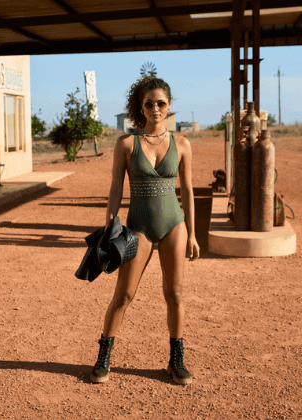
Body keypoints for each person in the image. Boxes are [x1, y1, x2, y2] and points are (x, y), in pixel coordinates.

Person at [91, 75, 199, 385]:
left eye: (161, 103)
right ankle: (103, 356)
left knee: (175, 294)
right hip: (138, 227)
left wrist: (192, 233)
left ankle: (176, 360)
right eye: (149, 103)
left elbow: (188, 191)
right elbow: (115, 188)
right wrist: (109, 226)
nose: (155, 108)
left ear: (169, 107)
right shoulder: (126, 143)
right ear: (141, 106)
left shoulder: (182, 144)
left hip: (174, 225)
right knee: (124, 294)